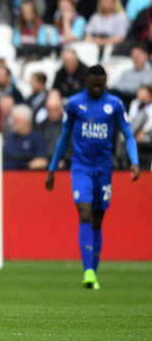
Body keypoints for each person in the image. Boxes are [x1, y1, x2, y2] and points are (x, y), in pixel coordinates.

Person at [45, 65, 140, 290]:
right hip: (81, 167)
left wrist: (134, 160)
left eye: (100, 84)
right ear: (86, 82)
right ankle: (87, 271)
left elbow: (128, 134)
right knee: (85, 212)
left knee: (98, 218)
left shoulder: (115, 105)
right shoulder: (74, 104)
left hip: (104, 169)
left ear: (105, 82)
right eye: (92, 84)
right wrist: (51, 169)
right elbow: (64, 137)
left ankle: (93, 272)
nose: (96, 88)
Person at [3, 104, 48, 170]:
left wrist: (27, 166)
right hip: (7, 175)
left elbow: (41, 161)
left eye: (16, 120)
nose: (13, 123)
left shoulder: (38, 139)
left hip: (28, 177)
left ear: (26, 122)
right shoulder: (10, 138)